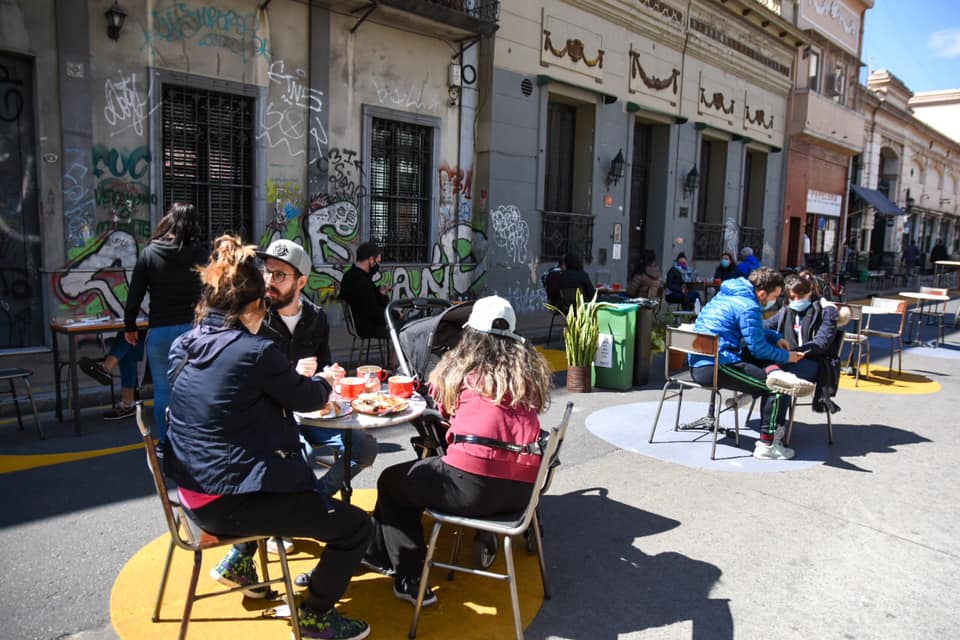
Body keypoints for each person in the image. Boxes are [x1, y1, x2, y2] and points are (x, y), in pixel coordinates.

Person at [164, 235, 372, 640]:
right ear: (256, 305)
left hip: (189, 491)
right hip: (229, 501)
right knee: (355, 527)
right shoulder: (254, 350)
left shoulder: (185, 345)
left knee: (307, 478)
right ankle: (314, 615)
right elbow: (309, 397)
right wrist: (324, 380)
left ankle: (242, 561)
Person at [365, 295, 553, 605]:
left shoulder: (460, 371)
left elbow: (439, 406)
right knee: (409, 480)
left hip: (472, 485)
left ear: (470, 334)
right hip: (525, 491)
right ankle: (379, 552)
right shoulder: (528, 375)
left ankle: (410, 577)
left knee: (391, 482)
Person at [256, 239, 378, 497]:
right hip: (271, 417)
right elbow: (248, 377)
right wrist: (292, 372)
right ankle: (295, 510)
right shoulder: (254, 317)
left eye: (279, 275)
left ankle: (316, 498)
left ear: (301, 282)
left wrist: (333, 375)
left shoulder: (316, 317)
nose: (269, 281)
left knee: (366, 448)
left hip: (310, 412)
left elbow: (324, 365)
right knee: (303, 456)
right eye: (266, 271)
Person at [690, 268, 813, 460]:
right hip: (716, 365)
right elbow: (758, 348)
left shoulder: (727, 294)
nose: (775, 301)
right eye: (775, 296)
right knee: (779, 387)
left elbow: (750, 330)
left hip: (700, 361)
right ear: (763, 293)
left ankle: (751, 392)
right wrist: (786, 356)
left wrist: (774, 336)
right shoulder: (748, 305)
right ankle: (768, 444)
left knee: (763, 371)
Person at [124, 202, 207, 443]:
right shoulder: (201, 253)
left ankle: (166, 443)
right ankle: (192, 441)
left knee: (162, 390)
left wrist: (130, 326)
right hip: (195, 331)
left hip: (160, 330)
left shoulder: (149, 253)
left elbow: (134, 295)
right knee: (196, 389)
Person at [764, 272, 846, 414]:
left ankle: (778, 426)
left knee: (783, 383)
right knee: (763, 372)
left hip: (815, 361)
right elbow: (767, 325)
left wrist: (795, 353)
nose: (796, 300)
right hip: (788, 357)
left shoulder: (826, 311)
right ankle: (753, 398)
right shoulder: (787, 309)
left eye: (800, 296)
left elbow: (821, 343)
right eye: (792, 297)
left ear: (810, 292)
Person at [78, 329, 146, 420]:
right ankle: (128, 404)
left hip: (161, 339)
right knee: (127, 349)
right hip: (147, 338)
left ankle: (106, 368)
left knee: (127, 335)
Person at [340, 242, 390, 339]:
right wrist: (394, 316)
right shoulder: (361, 281)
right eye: (378, 262)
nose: (378, 265)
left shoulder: (350, 276)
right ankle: (396, 355)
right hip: (367, 327)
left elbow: (367, 301)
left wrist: (381, 293)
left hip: (361, 324)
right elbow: (373, 311)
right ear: (371, 260)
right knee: (404, 330)